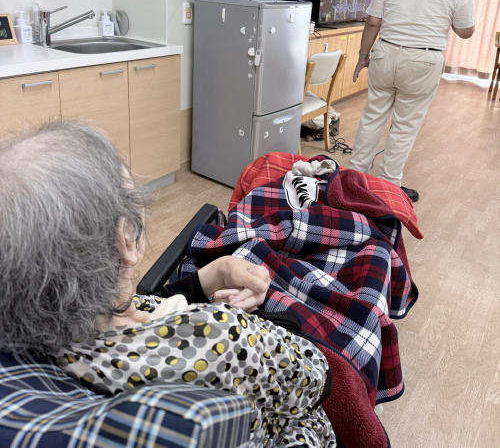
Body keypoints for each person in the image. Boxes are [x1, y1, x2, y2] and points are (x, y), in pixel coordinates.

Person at [0, 121, 335, 448]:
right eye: (132, 197)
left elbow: (137, 316)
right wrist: (261, 323)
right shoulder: (221, 336)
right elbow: (318, 378)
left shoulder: (51, 340)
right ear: (126, 240)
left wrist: (207, 279)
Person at [348, 0, 475, 201]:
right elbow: (466, 31)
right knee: (404, 127)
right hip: (423, 61)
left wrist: (363, 56)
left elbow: (373, 22)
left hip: (385, 53)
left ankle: (353, 181)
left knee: (372, 117)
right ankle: (387, 189)